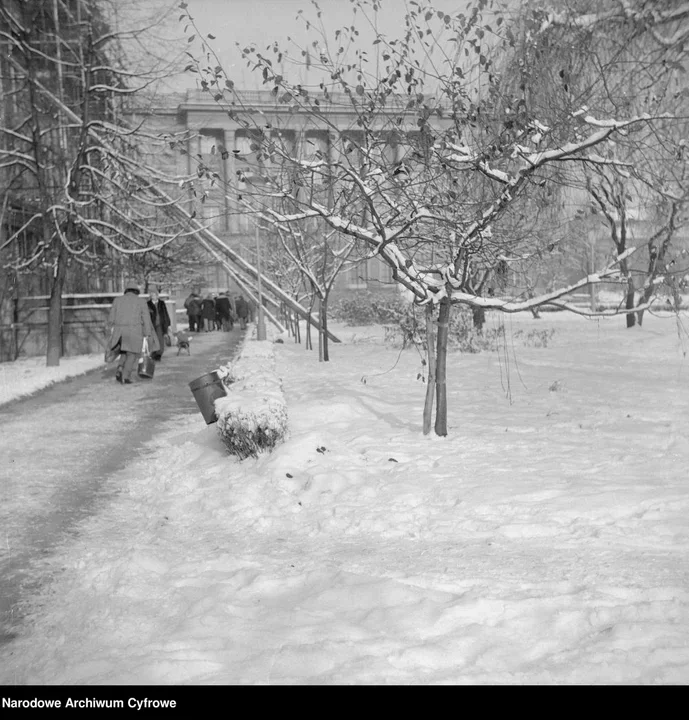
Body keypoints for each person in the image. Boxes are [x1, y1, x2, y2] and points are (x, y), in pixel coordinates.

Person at [108, 281, 160, 384]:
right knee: (131, 354)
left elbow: (111, 318)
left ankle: (119, 368)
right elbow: (146, 319)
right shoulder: (141, 302)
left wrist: (111, 328)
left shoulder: (117, 300)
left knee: (124, 351)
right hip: (134, 331)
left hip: (120, 332)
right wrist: (147, 333)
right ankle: (125, 376)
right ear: (136, 291)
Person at [147, 288, 171, 361]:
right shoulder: (148, 304)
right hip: (152, 324)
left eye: (154, 295)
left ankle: (159, 353)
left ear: (157, 295)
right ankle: (154, 353)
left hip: (161, 324)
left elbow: (165, 313)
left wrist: (168, 322)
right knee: (153, 340)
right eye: (152, 295)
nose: (153, 296)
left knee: (160, 340)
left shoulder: (161, 303)